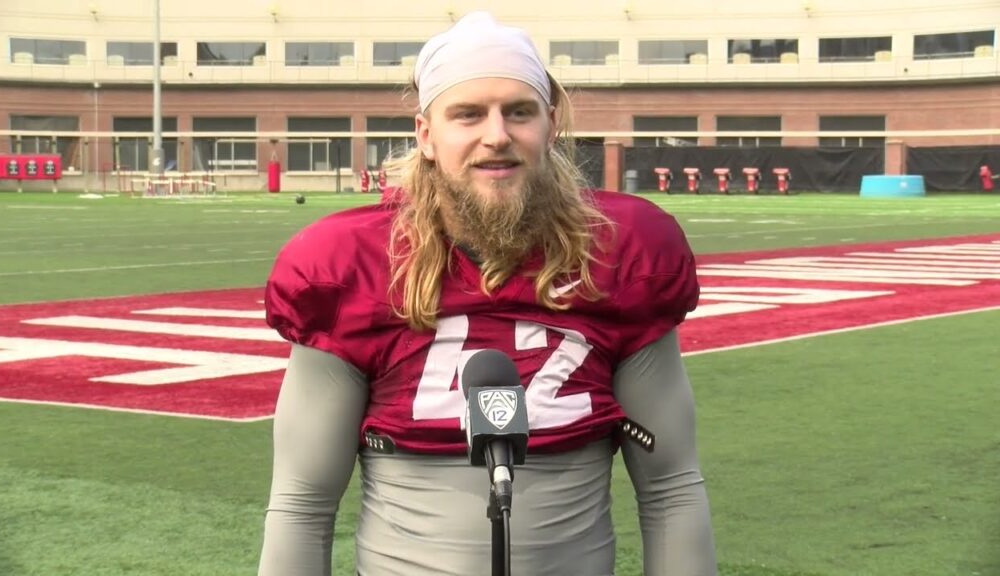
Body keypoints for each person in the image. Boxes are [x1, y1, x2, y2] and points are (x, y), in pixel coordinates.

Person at [258, 11, 717, 576]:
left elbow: (671, 489)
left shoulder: (622, 251)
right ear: (427, 135)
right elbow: (303, 504)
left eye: (518, 112)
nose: (496, 135)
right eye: (468, 114)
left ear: (549, 125)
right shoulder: (351, 265)